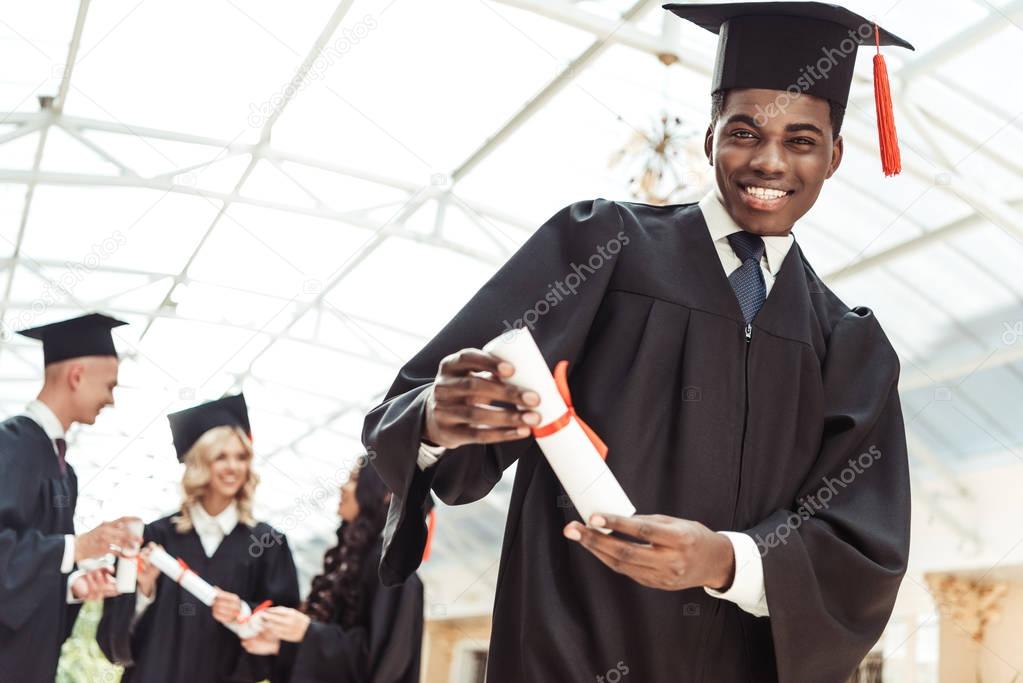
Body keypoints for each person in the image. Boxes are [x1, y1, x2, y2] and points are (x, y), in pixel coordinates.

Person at [362, 3, 914, 681]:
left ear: (833, 155)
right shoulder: (599, 248)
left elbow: (861, 552)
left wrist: (722, 558)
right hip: (565, 658)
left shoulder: (847, 346)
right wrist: (439, 421)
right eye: (744, 131)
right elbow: (411, 409)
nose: (768, 161)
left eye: (801, 140)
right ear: (709, 136)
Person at [96, 394, 299, 682]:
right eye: (221, 457)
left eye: (241, 457)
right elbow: (114, 642)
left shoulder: (268, 544)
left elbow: (285, 631)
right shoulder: (154, 538)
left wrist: (243, 612)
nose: (233, 467)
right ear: (199, 463)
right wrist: (143, 591)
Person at [0, 312, 142, 682]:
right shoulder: (7, 447)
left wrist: (71, 586)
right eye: (110, 386)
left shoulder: (66, 472)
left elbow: (25, 580)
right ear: (77, 376)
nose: (111, 400)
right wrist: (76, 548)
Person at [241, 461, 426, 683]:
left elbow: (383, 663)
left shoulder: (391, 570)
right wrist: (283, 647)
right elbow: (336, 655)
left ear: (387, 494)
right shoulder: (352, 561)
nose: (343, 487)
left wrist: (308, 632)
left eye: (354, 479)